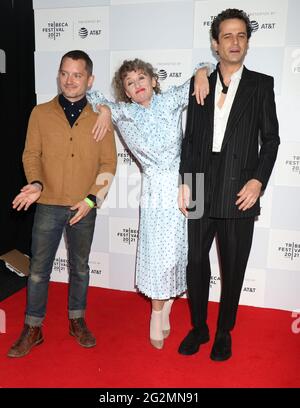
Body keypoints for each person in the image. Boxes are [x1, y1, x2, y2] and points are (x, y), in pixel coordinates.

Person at [88, 59, 213, 349]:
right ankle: (157, 313)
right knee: (158, 255)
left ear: (153, 80)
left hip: (188, 182)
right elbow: (95, 98)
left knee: (186, 253)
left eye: (141, 77)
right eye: (130, 83)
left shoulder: (170, 100)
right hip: (156, 189)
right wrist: (105, 108)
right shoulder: (124, 114)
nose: (137, 84)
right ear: (127, 93)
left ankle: (168, 303)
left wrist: (202, 70)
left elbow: (203, 68)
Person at [178, 8, 280, 361]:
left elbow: (271, 140)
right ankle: (199, 327)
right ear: (215, 43)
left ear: (247, 42)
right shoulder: (200, 81)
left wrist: (258, 181)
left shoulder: (261, 84)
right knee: (194, 261)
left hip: (241, 185)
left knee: (234, 264)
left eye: (241, 36)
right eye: (227, 36)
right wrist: (185, 181)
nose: (235, 42)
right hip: (199, 180)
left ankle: (224, 331)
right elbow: (190, 138)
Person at [7, 50, 117, 358]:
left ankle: (77, 320)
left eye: (77, 75)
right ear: (58, 75)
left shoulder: (100, 115)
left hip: (84, 205)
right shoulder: (40, 114)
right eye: (64, 73)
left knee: (80, 268)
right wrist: (37, 183)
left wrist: (92, 199)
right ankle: (33, 328)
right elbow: (31, 155)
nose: (69, 80)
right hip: (48, 204)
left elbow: (109, 162)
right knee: (39, 270)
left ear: (89, 79)